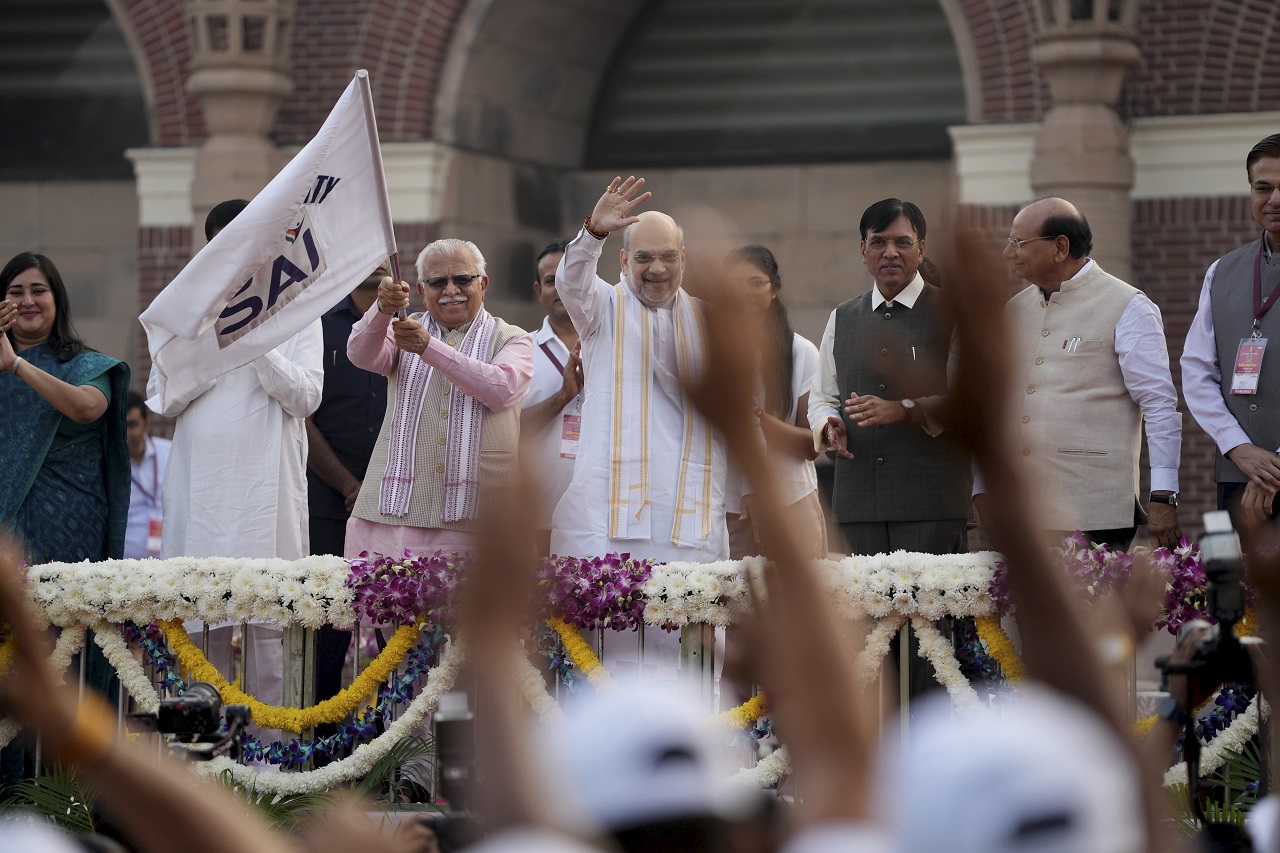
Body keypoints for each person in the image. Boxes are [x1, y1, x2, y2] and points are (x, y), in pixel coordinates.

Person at [148, 199, 324, 711]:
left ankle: (275, 770)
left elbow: (306, 397)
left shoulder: (299, 309)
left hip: (266, 490)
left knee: (272, 631)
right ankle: (202, 766)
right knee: (202, 630)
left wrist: (254, 336)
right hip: (201, 489)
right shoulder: (186, 315)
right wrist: (212, 331)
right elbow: (167, 398)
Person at [978, 197, 1183, 552]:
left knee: (1097, 608)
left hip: (1095, 514)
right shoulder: (1014, 311)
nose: (1008, 253)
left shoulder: (1128, 306)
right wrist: (982, 490)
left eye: (1019, 243)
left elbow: (1160, 405)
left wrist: (1163, 494)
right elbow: (993, 408)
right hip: (1021, 512)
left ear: (1060, 247)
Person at [549, 176, 731, 564]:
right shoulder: (601, 307)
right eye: (644, 257)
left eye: (668, 256)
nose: (657, 269)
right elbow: (571, 282)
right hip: (607, 511)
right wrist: (593, 232)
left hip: (687, 512)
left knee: (689, 616)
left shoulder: (711, 322)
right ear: (624, 260)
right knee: (605, 618)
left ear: (683, 258)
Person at [0, 251, 131, 782]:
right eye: (15, 291)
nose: (27, 301)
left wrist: (15, 365)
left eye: (39, 290)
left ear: (57, 300)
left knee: (63, 643)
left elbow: (86, 408)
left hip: (68, 530)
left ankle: (65, 791)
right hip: (6, 533)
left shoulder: (86, 364)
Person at [345, 238, 532, 558]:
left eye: (462, 279)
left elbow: (500, 391)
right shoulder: (403, 328)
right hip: (393, 516)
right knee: (384, 606)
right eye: (437, 282)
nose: (450, 290)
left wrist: (428, 348)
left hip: (480, 522)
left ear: (483, 284)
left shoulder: (512, 337)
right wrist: (382, 310)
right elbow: (360, 355)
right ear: (421, 290)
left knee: (473, 609)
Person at [809, 198, 969, 557]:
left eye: (903, 242)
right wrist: (828, 425)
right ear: (863, 250)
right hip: (857, 503)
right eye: (879, 242)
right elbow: (822, 397)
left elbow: (968, 403)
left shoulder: (954, 313)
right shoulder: (842, 316)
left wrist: (905, 409)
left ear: (922, 248)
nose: (890, 252)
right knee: (865, 611)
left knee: (930, 612)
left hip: (931, 504)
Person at [306, 261, 390, 740]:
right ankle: (318, 748)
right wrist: (347, 484)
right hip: (327, 503)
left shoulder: (411, 329)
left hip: (396, 509)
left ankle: (391, 749)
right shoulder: (316, 327)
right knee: (328, 631)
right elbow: (303, 417)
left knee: (394, 633)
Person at [1183, 132, 1280, 528]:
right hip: (1238, 477)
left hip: (1264, 474)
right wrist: (1238, 447)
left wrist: (1272, 467)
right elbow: (1197, 369)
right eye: (1263, 188)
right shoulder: (1221, 272)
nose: (1274, 200)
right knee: (1241, 590)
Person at [724, 244, 824, 559]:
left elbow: (811, 444)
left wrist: (757, 418)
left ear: (774, 289)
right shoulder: (710, 353)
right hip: (727, 506)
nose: (745, 293)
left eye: (756, 283)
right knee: (726, 603)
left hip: (791, 500)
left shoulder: (801, 352)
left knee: (800, 603)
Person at [519, 238, 583, 556]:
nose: (560, 288)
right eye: (550, 281)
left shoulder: (615, 348)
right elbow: (503, 431)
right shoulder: (519, 350)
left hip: (600, 521)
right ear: (538, 290)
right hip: (538, 523)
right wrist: (563, 397)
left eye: (569, 277)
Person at [124, 388, 171, 560]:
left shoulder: (171, 453)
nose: (126, 433)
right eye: (121, 426)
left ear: (147, 422)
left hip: (170, 563)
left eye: (132, 424)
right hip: (125, 568)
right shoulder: (109, 466)